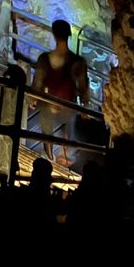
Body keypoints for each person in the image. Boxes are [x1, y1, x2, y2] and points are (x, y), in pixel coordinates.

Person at [32, 18, 90, 163]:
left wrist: (31, 99)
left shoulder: (44, 59)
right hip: (68, 105)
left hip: (49, 103)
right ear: (69, 35)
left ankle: (49, 158)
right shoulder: (78, 62)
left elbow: (37, 83)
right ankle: (66, 158)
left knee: (46, 130)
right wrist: (85, 107)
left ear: (54, 35)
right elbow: (83, 86)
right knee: (68, 131)